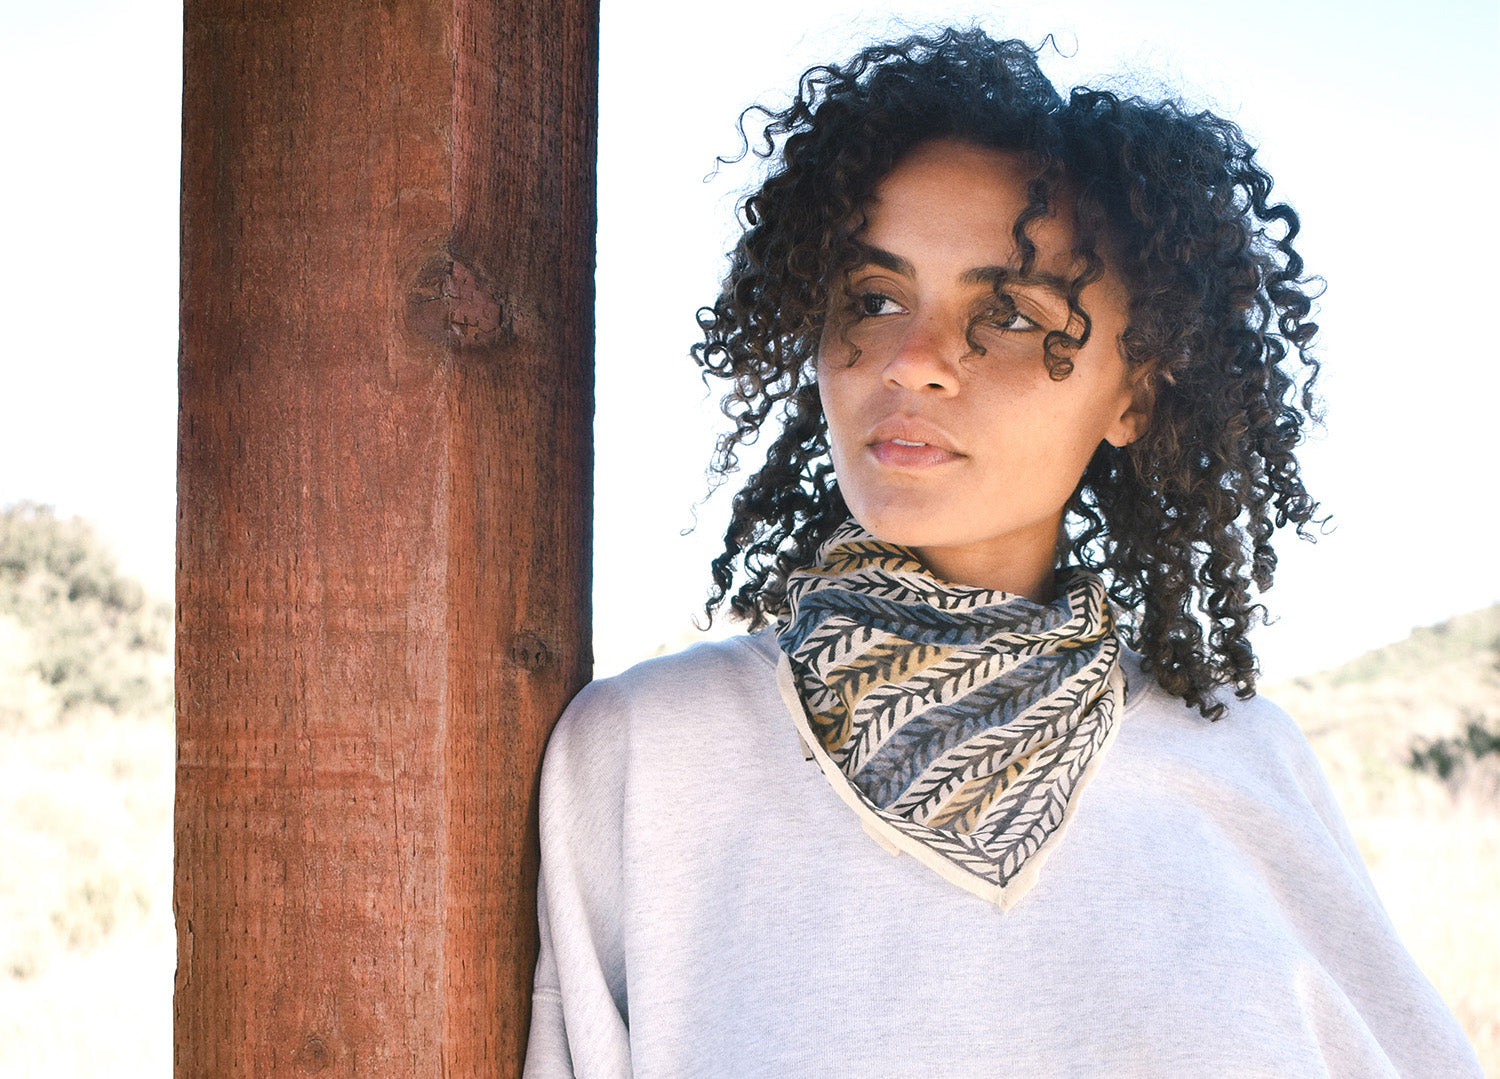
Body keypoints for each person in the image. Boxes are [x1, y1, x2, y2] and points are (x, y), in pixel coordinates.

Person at [525, 29, 1481, 1077]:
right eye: (875, 297)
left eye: (1012, 315)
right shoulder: (647, 757)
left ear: (1136, 392)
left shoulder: (1245, 763)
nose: (915, 360)